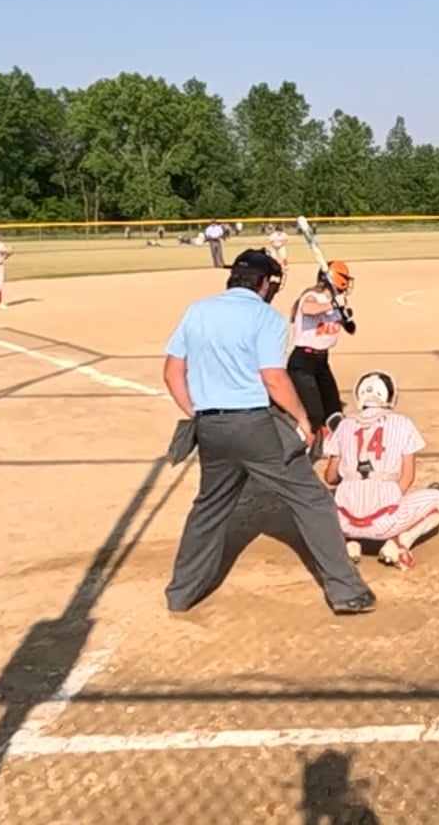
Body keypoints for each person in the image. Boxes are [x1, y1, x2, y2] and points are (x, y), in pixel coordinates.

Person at [161, 249, 375, 615]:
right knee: (312, 500)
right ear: (264, 283)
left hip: (210, 428)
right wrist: (302, 420)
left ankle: (181, 593)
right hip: (255, 426)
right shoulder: (265, 317)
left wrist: (198, 413)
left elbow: (171, 373)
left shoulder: (198, 310)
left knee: (208, 508)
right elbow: (274, 379)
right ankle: (346, 592)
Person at [324, 371, 439, 570]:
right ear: (390, 396)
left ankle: (350, 542)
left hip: (344, 522)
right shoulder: (403, 423)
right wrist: (386, 497)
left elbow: (330, 477)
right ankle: (398, 544)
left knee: (330, 496)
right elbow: (407, 478)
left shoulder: (344, 425)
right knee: (438, 497)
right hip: (385, 522)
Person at [289, 260, 354, 443]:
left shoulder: (337, 303)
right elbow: (308, 309)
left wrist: (345, 315)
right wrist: (332, 305)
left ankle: (332, 446)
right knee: (314, 414)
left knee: (333, 410)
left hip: (322, 361)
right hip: (303, 362)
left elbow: (351, 329)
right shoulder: (312, 296)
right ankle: (304, 446)